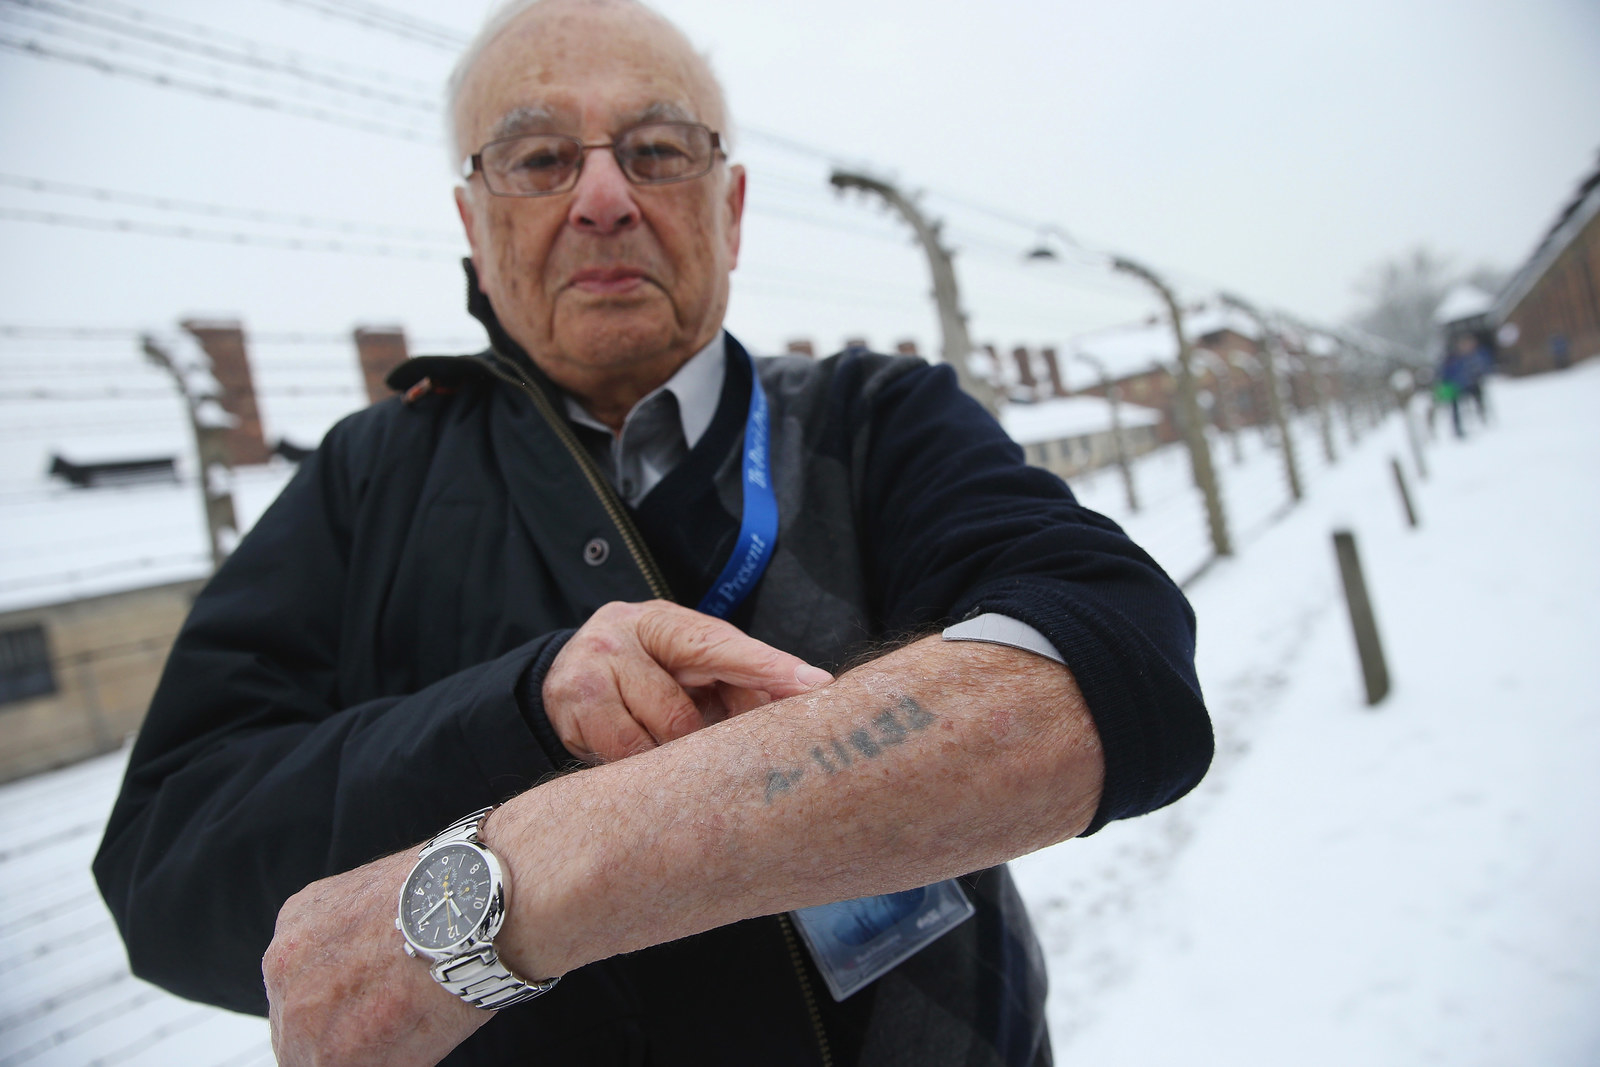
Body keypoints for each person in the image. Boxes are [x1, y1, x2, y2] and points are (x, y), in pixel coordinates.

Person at [92, 2, 1212, 1064]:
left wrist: (523, 873)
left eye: (658, 149)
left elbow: (1107, 664)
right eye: (538, 159)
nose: (603, 199)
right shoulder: (364, 478)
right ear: (473, 226)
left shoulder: (876, 417)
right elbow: (165, 862)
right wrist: (517, 711)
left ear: (728, 209)